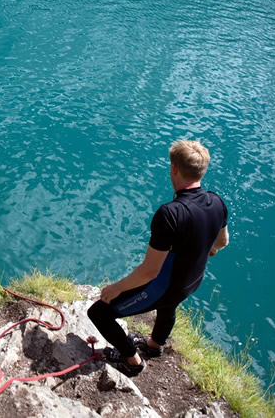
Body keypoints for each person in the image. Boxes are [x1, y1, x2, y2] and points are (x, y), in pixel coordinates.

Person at [87, 139, 229, 377]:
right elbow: (222, 242)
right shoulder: (217, 201)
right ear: (202, 171)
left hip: (167, 286)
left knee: (99, 313)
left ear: (174, 168)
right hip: (192, 281)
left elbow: (150, 272)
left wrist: (116, 288)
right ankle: (154, 346)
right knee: (169, 304)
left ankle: (133, 361)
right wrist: (208, 250)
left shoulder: (170, 213)